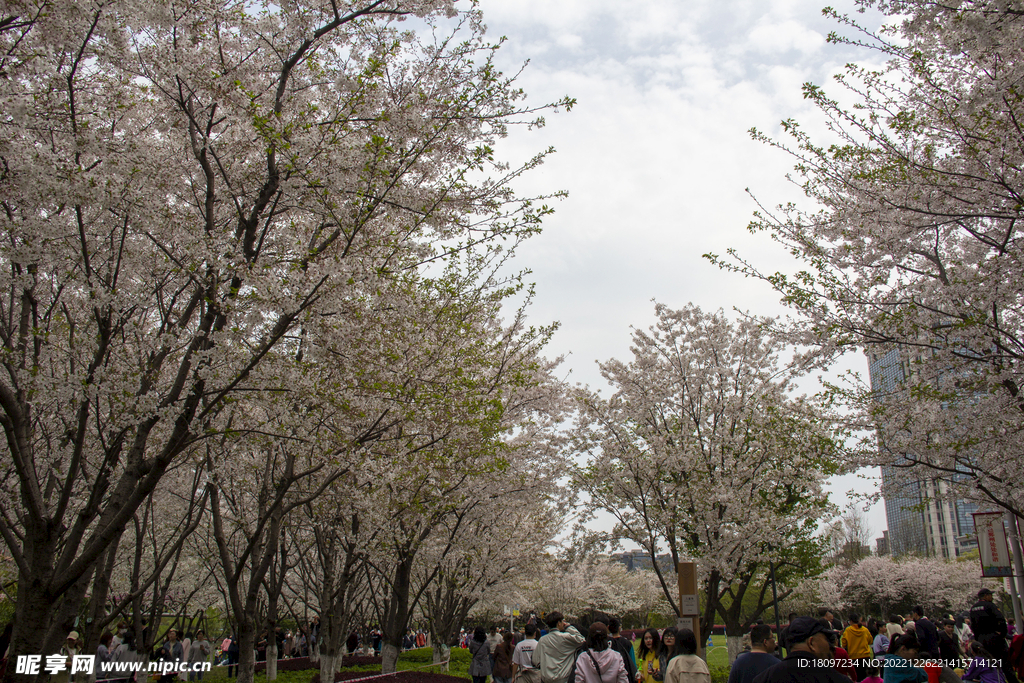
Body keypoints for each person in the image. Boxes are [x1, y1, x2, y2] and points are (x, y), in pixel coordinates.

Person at [751, 617, 853, 683]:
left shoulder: (763, 679)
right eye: (825, 639)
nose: (829, 645)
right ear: (811, 643)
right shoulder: (836, 679)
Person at [970, 588, 1017, 683]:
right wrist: (1003, 634)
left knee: (987, 664)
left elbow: (973, 625)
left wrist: (977, 638)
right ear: (986, 596)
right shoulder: (990, 606)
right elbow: (1001, 620)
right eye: (990, 595)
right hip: (994, 638)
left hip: (981, 640)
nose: (992, 597)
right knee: (1005, 664)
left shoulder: (973, 608)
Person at [532, 611, 585, 683]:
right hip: (564, 679)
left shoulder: (542, 640)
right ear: (559, 623)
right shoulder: (566, 638)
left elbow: (535, 660)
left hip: (547, 679)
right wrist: (568, 627)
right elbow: (581, 640)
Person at [842, 614, 873, 680]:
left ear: (850, 621)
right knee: (866, 678)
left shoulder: (848, 630)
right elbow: (870, 641)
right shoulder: (865, 630)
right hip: (865, 656)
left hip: (854, 657)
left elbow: (843, 644)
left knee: (856, 678)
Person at [609, 619, 637, 683]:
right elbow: (633, 662)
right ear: (619, 628)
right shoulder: (627, 643)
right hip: (626, 676)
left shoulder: (607, 644)